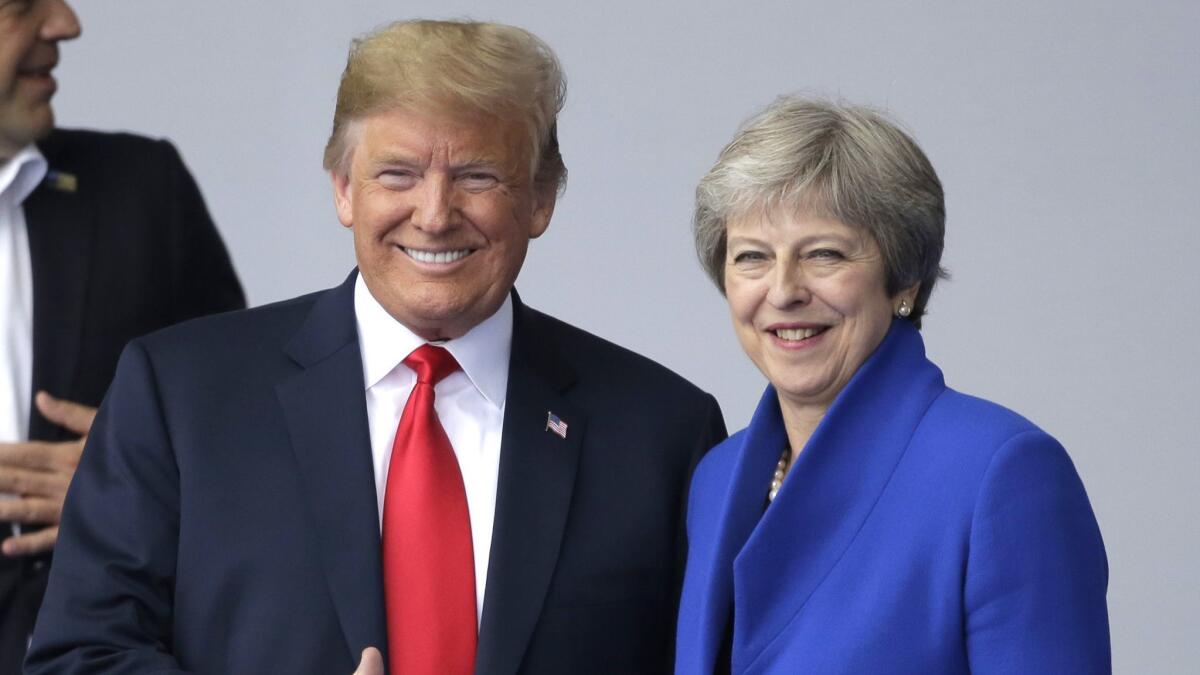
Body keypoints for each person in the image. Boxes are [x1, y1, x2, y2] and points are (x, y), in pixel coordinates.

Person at [26, 19, 726, 675]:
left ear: (541, 198)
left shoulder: (663, 433)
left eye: (478, 175)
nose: (434, 213)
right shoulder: (180, 394)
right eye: (398, 174)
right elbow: (81, 655)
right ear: (343, 189)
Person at [674, 96, 1110, 673]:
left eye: (824, 254)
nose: (783, 291)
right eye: (752, 257)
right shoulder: (717, 478)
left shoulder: (1000, 474)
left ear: (904, 277)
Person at [0, 0, 244, 669]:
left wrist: (131, 482)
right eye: (22, 4)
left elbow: (258, 450)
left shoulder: (144, 193)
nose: (65, 23)